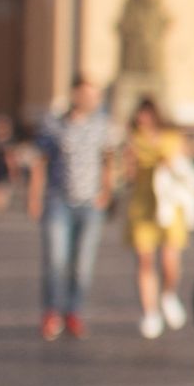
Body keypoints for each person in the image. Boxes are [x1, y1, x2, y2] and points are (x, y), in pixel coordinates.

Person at [29, 74, 116, 341]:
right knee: (56, 260)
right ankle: (52, 312)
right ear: (75, 94)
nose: (91, 99)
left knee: (82, 264)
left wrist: (106, 192)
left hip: (90, 204)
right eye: (86, 94)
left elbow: (109, 159)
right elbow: (40, 162)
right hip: (58, 200)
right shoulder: (54, 124)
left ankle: (74, 311)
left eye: (94, 95)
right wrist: (34, 196)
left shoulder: (102, 125)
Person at [124, 97, 194, 339]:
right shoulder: (134, 140)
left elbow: (184, 162)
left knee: (169, 259)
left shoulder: (172, 138)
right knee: (144, 260)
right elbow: (128, 175)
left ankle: (168, 293)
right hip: (143, 205)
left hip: (168, 207)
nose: (143, 120)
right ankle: (150, 312)